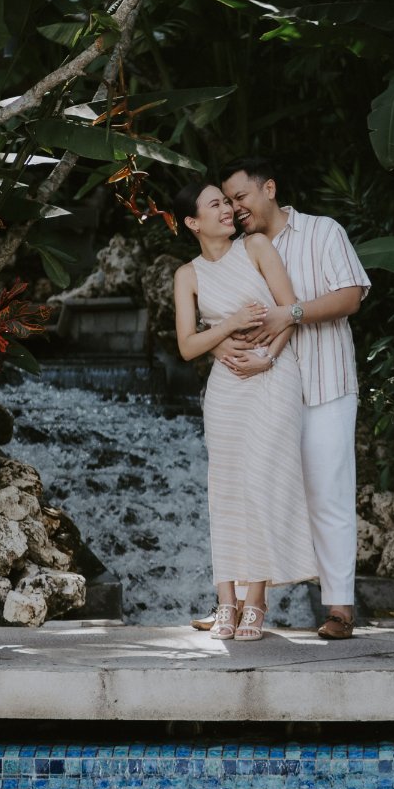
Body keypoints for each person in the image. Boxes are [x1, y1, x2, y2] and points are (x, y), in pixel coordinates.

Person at [216, 159, 371, 641]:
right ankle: (238, 607)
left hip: (325, 385)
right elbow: (218, 315)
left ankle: (340, 609)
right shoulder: (238, 251)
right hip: (260, 394)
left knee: (328, 495)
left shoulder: (323, 232)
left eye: (240, 197)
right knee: (252, 494)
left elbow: (351, 297)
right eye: (228, 201)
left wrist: (292, 313)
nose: (235, 208)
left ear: (269, 188)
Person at [172, 182, 318, 642]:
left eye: (227, 201)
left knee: (261, 480)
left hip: (273, 376)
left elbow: (289, 311)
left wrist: (267, 358)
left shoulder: (255, 247)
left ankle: (256, 599)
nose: (227, 210)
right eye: (215, 204)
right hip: (226, 388)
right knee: (226, 488)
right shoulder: (187, 275)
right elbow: (187, 346)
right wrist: (229, 328)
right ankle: (226, 600)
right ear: (193, 222)